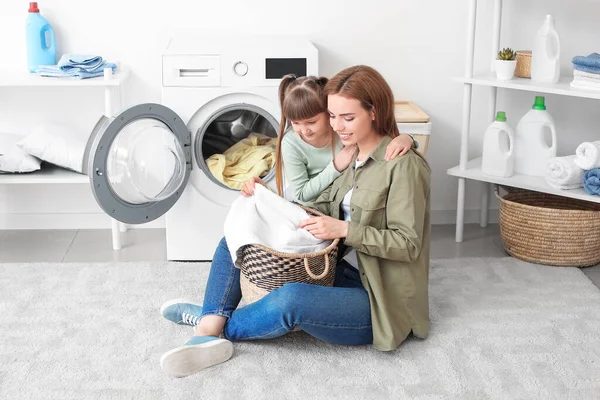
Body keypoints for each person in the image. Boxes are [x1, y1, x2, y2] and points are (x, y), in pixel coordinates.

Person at [158, 65, 431, 378]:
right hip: (336, 266)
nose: (338, 127)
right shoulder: (353, 154)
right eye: (332, 115)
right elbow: (316, 203)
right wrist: (268, 202)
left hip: (379, 297)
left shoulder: (402, 166)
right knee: (241, 237)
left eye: (348, 117)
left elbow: (409, 245)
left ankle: (213, 326)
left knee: (292, 300)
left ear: (374, 111)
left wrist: (344, 229)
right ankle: (211, 323)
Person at [241, 74, 417, 204]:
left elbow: (381, 143)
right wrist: (335, 166)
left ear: (328, 112)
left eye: (311, 122)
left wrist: (406, 138)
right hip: (308, 207)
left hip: (336, 205)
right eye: (296, 123)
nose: (304, 130)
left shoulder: (343, 132)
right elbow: (301, 195)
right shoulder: (291, 142)